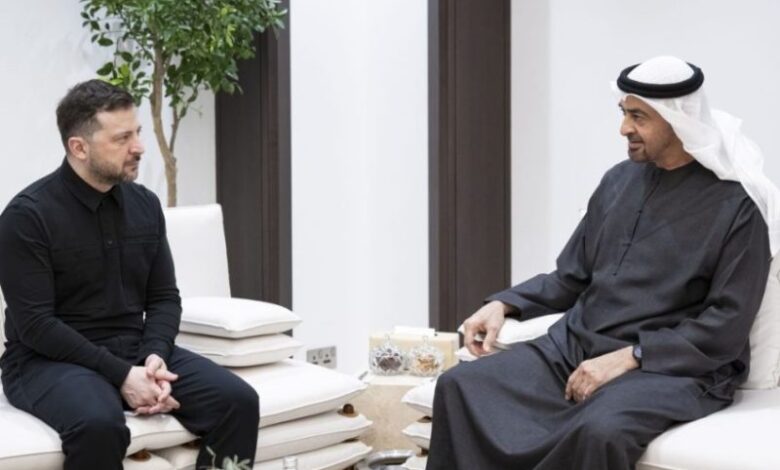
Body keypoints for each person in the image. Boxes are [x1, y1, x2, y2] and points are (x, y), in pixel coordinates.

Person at [426, 56, 779, 470]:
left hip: (671, 369)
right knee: (460, 385)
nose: (624, 128)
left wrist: (633, 356)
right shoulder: (618, 181)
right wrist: (504, 303)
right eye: (623, 113)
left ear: (678, 121)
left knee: (600, 431)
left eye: (638, 117)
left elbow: (725, 325)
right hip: (574, 348)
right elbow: (571, 276)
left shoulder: (738, 207)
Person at [0, 79, 260, 470]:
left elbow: (164, 297)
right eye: (122, 138)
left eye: (137, 133)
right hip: (46, 361)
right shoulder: (27, 216)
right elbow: (36, 325)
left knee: (237, 401)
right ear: (79, 147)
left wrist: (154, 356)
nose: (138, 147)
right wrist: (123, 376)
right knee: (99, 425)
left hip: (134, 348)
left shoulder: (145, 205)